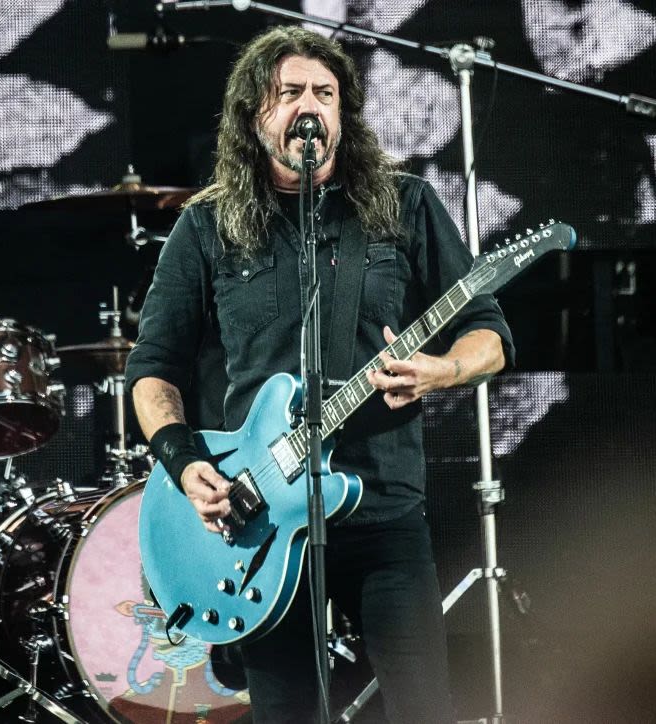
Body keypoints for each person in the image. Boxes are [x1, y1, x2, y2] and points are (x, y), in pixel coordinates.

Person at [125, 26, 515, 724]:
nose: (310, 106)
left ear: (344, 112)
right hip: (260, 523)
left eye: (325, 93)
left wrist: (444, 368)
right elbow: (152, 369)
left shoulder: (406, 205)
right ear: (255, 116)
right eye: (290, 93)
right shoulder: (207, 227)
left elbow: (489, 332)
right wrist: (185, 467)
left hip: (384, 508)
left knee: (425, 710)